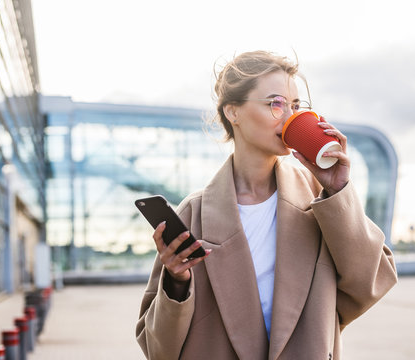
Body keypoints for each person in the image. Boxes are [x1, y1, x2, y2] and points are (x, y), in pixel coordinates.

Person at [136, 50, 397, 360]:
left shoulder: (321, 198)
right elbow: (156, 348)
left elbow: (371, 282)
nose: (291, 117)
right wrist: (177, 283)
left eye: (296, 106)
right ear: (233, 112)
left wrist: (339, 190)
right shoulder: (194, 213)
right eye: (276, 103)